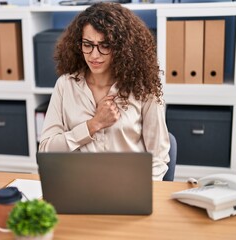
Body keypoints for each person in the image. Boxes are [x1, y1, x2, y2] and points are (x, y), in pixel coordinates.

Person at [38, 2, 170, 180]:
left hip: (128, 185)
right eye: (88, 44)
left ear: (123, 48)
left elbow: (158, 158)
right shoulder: (65, 85)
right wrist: (93, 125)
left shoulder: (143, 88)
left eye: (105, 45)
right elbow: (46, 150)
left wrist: (144, 193)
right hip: (78, 183)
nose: (94, 55)